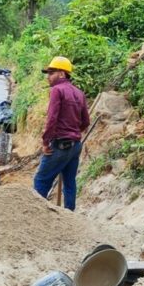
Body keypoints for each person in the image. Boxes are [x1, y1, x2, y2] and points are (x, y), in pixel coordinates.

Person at [33, 56, 90, 211]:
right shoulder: (79, 93)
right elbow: (86, 121)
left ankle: (35, 217)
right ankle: (69, 218)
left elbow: (51, 120)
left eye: (51, 72)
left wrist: (45, 143)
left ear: (62, 74)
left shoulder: (57, 90)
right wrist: (74, 133)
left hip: (59, 145)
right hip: (75, 145)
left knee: (41, 180)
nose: (48, 77)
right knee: (70, 183)